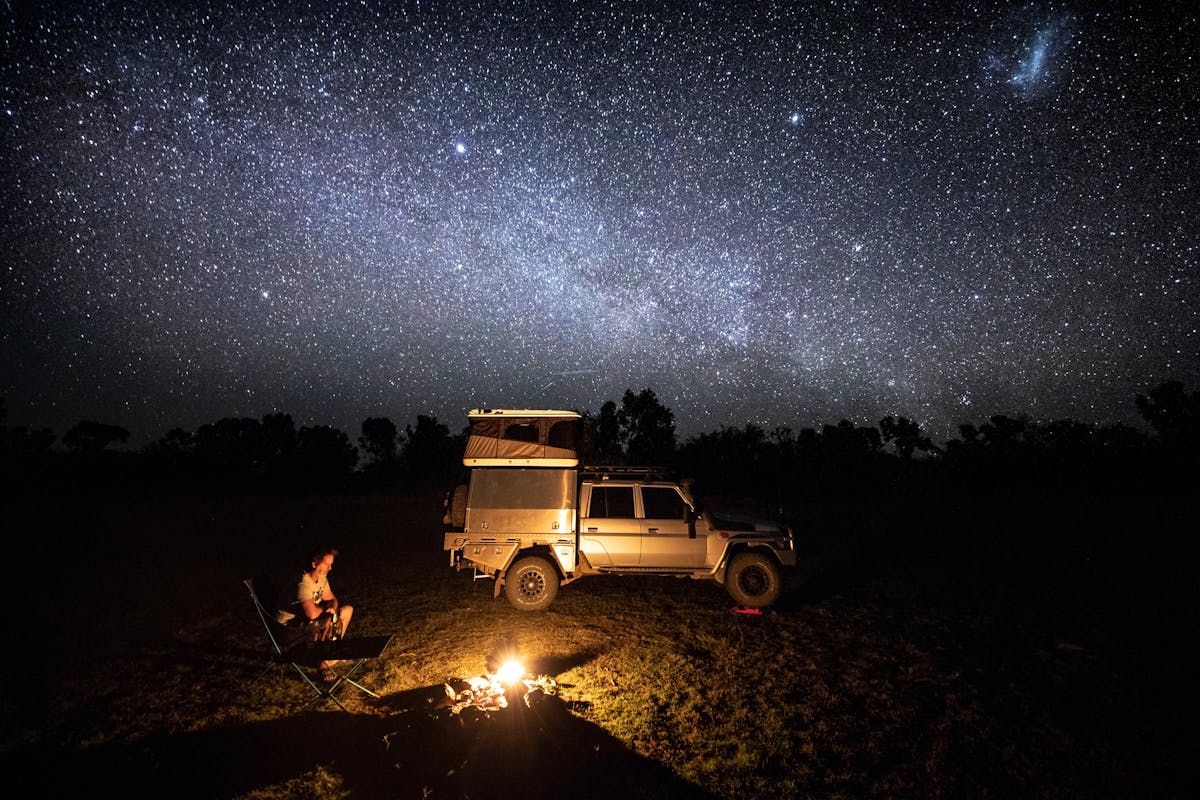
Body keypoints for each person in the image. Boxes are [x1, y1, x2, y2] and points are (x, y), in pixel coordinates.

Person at [277, 545, 355, 681]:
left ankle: (332, 655)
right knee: (326, 621)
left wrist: (331, 610)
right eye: (327, 564)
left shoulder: (322, 578)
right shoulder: (302, 583)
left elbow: (332, 599)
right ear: (314, 564)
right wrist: (329, 614)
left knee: (347, 610)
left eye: (331, 564)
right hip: (289, 629)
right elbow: (312, 614)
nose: (330, 568)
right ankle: (323, 665)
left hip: (305, 622)